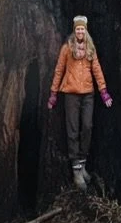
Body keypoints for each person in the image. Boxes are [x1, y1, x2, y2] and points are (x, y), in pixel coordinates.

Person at [48, 15, 112, 190]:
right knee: (72, 130)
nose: (80, 31)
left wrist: (103, 91)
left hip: (88, 94)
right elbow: (59, 70)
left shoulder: (90, 49)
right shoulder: (67, 48)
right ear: (74, 30)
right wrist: (54, 93)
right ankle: (76, 168)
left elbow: (97, 69)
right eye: (77, 29)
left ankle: (82, 163)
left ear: (86, 30)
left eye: (82, 29)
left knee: (87, 126)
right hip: (70, 93)